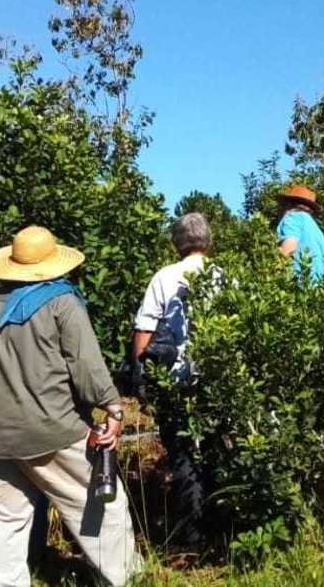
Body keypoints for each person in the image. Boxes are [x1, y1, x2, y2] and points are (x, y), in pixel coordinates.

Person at [0, 226, 142, 587]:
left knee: (4, 524)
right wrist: (113, 408)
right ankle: (126, 579)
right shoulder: (61, 302)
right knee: (103, 508)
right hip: (53, 429)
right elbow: (86, 365)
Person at [132, 212, 214, 547]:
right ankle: (216, 523)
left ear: (177, 242)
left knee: (181, 453)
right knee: (210, 448)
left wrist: (140, 374)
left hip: (174, 380)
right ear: (207, 241)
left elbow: (145, 329)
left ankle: (191, 534)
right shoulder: (224, 275)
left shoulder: (164, 277)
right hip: (213, 379)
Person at [275, 184, 324, 283]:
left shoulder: (292, 217)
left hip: (296, 286)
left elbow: (289, 247)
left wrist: (271, 274)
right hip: (316, 290)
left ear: (289, 204)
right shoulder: (317, 230)